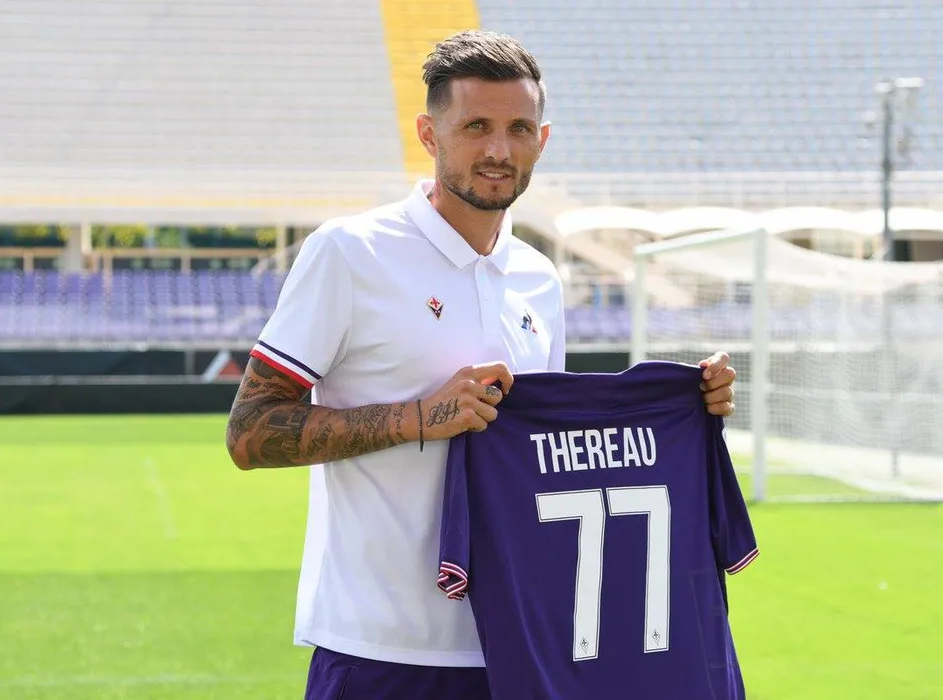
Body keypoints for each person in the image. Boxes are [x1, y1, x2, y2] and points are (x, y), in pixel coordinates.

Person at [225, 29, 738, 700]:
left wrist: (692, 403)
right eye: (476, 127)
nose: (499, 150)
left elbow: (549, 461)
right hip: (380, 647)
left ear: (542, 141)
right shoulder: (349, 253)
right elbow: (249, 433)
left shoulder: (539, 278)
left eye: (518, 129)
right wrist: (417, 417)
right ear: (429, 134)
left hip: (520, 646)